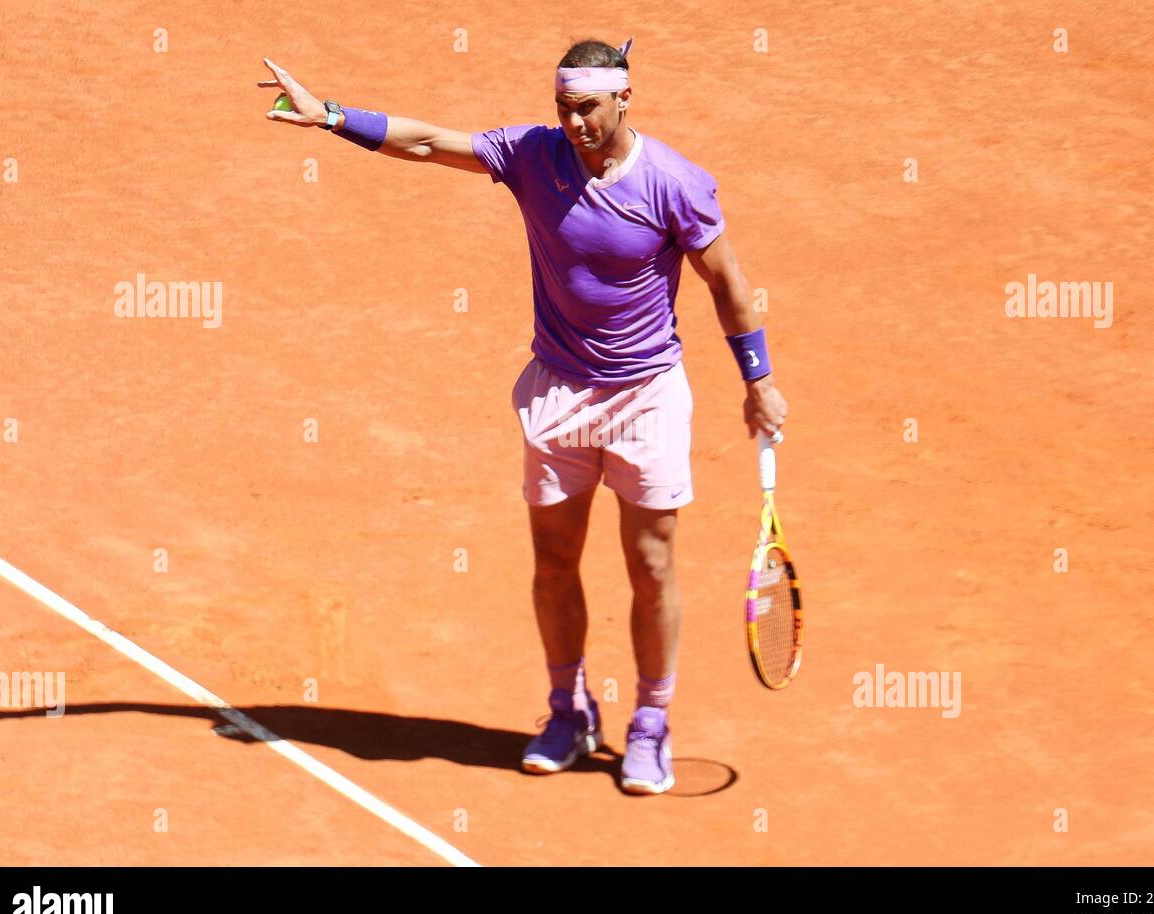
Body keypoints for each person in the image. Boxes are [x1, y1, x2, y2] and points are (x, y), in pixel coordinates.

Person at [259, 36, 788, 795]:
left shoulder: (676, 183)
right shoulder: (532, 156)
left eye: (588, 108)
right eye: (563, 108)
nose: (573, 123)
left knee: (652, 564)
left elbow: (728, 282)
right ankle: (569, 708)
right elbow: (430, 143)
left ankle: (651, 723)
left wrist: (758, 380)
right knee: (553, 561)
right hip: (558, 392)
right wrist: (332, 115)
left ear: (624, 100)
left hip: (646, 397)